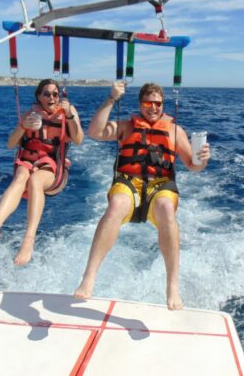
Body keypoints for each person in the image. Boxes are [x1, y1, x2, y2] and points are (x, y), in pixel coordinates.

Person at [74, 81, 211, 310]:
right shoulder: (127, 127)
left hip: (160, 185)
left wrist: (203, 158)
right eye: (149, 103)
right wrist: (111, 99)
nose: (154, 107)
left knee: (167, 208)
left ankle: (172, 287)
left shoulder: (175, 131)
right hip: (129, 182)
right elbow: (95, 132)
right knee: (116, 204)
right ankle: (89, 278)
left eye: (158, 103)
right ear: (140, 104)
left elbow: (193, 166)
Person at [0, 79, 84, 265]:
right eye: (46, 94)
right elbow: (10, 144)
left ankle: (28, 241)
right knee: (21, 177)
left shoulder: (69, 111)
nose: (52, 97)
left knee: (35, 180)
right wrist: (23, 126)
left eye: (55, 94)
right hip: (28, 159)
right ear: (39, 96)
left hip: (52, 165)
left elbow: (78, 139)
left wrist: (69, 115)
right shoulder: (31, 114)